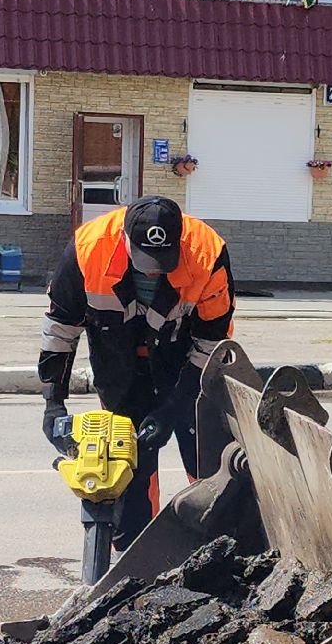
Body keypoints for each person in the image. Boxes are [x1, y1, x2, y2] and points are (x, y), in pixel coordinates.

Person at [38, 196, 234, 550]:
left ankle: (220, 549)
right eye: (144, 261)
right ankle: (138, 557)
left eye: (163, 262)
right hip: (120, 367)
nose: (153, 270)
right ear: (124, 237)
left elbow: (212, 342)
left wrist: (173, 409)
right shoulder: (88, 249)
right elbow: (60, 330)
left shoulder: (207, 254)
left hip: (186, 366)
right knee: (129, 469)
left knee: (207, 462)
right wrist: (53, 403)